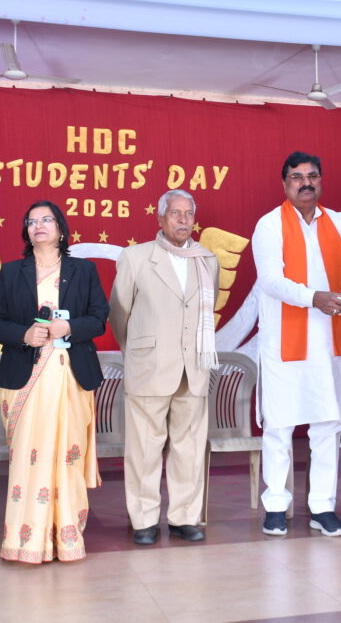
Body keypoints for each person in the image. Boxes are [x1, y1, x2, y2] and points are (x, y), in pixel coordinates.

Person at [252, 151, 341, 538]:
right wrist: (314, 298)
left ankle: (323, 506)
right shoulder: (269, 225)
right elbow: (270, 280)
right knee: (279, 426)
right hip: (285, 342)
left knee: (327, 426)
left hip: (329, 342)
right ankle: (276, 505)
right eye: (297, 177)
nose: (305, 183)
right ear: (285, 183)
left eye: (312, 176)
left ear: (321, 181)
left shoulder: (338, 222)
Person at [0, 200, 108, 563]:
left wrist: (69, 326)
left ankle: (67, 538)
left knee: (67, 458)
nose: (38, 226)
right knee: (28, 458)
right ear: (26, 231)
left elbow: (99, 317)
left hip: (70, 376)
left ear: (61, 228)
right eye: (31, 221)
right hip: (24, 377)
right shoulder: (11, 272)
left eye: (46, 220)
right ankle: (25, 541)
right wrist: (25, 335)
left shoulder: (83, 270)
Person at [109, 189, 219, 545]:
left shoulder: (207, 260)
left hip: (194, 367)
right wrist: (137, 351)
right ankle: (144, 520)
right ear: (160, 218)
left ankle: (184, 517)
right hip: (150, 367)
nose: (183, 220)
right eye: (175, 213)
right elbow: (119, 312)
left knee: (189, 448)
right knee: (144, 447)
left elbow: (207, 308)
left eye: (189, 214)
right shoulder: (136, 257)